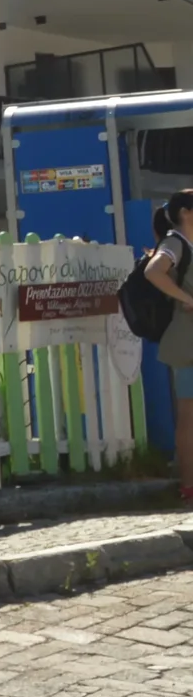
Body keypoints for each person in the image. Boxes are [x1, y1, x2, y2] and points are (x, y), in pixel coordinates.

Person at [138, 188, 193, 503]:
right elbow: (153, 271)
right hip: (188, 343)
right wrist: (186, 299)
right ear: (185, 212)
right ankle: (189, 485)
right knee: (189, 415)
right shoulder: (176, 243)